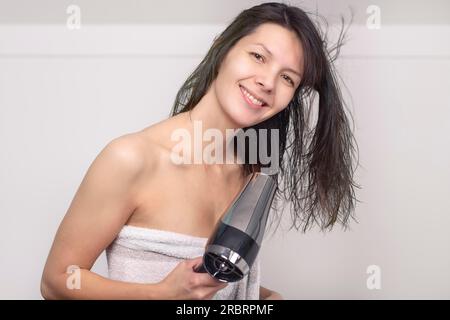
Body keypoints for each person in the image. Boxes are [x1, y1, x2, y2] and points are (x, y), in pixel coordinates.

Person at [41, 2, 358, 300]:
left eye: (287, 78)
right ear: (223, 48)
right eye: (258, 57)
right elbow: (56, 280)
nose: (267, 82)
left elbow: (211, 284)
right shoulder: (132, 158)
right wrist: (161, 293)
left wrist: (267, 296)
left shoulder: (252, 175)